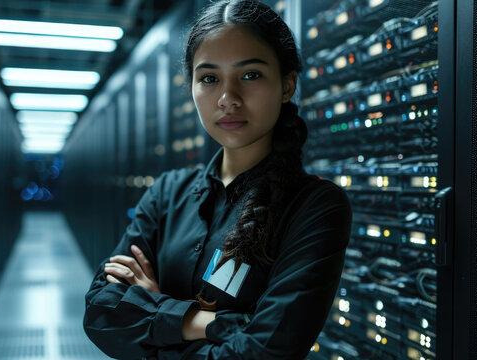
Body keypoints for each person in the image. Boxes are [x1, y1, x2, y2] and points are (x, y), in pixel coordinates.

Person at [83, 0, 352, 358]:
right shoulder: (167, 193)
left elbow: (264, 352)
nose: (228, 98)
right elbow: (102, 311)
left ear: (287, 85)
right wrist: (213, 323)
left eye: (250, 75)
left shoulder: (315, 208)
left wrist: (155, 312)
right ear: (192, 86)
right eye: (209, 78)